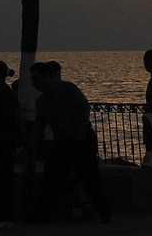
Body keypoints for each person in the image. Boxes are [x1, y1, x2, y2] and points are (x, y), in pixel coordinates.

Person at [28, 61, 111, 224]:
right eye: (32, 79)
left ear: (47, 77)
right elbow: (39, 125)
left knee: (90, 178)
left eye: (36, 78)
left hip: (81, 140)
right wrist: (29, 146)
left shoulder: (67, 89)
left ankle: (105, 213)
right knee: (51, 178)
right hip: (61, 142)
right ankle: (42, 215)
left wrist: (80, 129)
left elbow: (84, 106)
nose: (34, 83)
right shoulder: (42, 101)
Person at [0, 61, 20, 229]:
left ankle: (6, 217)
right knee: (4, 179)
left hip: (4, 141)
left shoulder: (4, 94)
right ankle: (5, 216)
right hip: (3, 140)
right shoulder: (2, 93)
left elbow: (8, 119)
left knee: (5, 179)